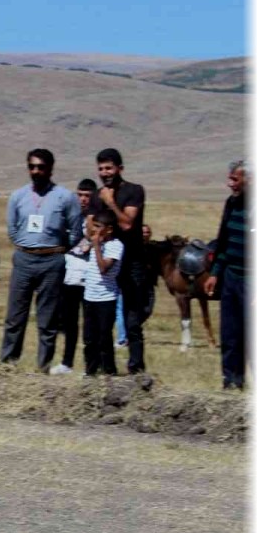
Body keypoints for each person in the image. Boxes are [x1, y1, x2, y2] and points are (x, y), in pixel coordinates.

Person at [0, 148, 81, 372]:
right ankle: (7, 364)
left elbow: (75, 229)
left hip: (51, 261)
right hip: (24, 259)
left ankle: (43, 366)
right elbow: (12, 228)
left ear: (51, 169)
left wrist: (60, 249)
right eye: (32, 166)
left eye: (41, 167)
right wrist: (25, 244)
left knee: (47, 319)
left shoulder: (65, 197)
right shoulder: (18, 196)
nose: (36, 171)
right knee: (15, 316)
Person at [96, 148, 150, 374]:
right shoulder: (99, 194)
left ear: (120, 169)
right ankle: (107, 368)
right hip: (107, 262)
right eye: (100, 169)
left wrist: (110, 203)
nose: (105, 172)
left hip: (132, 263)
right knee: (104, 316)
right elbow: (92, 225)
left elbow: (128, 224)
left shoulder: (134, 191)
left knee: (132, 319)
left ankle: (136, 368)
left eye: (109, 168)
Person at [204, 160, 248, 390]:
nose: (230, 184)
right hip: (231, 276)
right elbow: (223, 242)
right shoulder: (231, 204)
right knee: (230, 332)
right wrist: (215, 273)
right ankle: (231, 381)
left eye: (234, 179)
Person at [52, 178, 98, 375]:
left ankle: (91, 367)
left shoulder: (99, 218)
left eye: (87, 196)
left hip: (91, 275)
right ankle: (66, 362)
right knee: (69, 322)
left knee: (90, 323)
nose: (83, 199)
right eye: (80, 195)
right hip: (70, 275)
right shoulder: (70, 216)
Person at [82, 210, 125, 377]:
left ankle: (109, 371)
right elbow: (87, 228)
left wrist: (97, 246)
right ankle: (90, 371)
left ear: (109, 229)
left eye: (100, 227)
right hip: (89, 296)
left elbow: (104, 268)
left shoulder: (116, 246)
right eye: (95, 226)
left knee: (104, 338)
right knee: (89, 338)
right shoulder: (95, 241)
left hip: (106, 298)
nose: (95, 230)